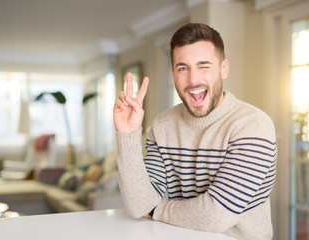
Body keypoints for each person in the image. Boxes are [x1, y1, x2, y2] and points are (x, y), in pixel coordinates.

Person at [113, 23, 277, 240]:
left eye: (204, 65)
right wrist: (128, 133)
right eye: (183, 68)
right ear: (173, 73)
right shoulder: (162, 125)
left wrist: (156, 210)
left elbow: (215, 217)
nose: (192, 79)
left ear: (223, 68)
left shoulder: (253, 125)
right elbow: (139, 205)